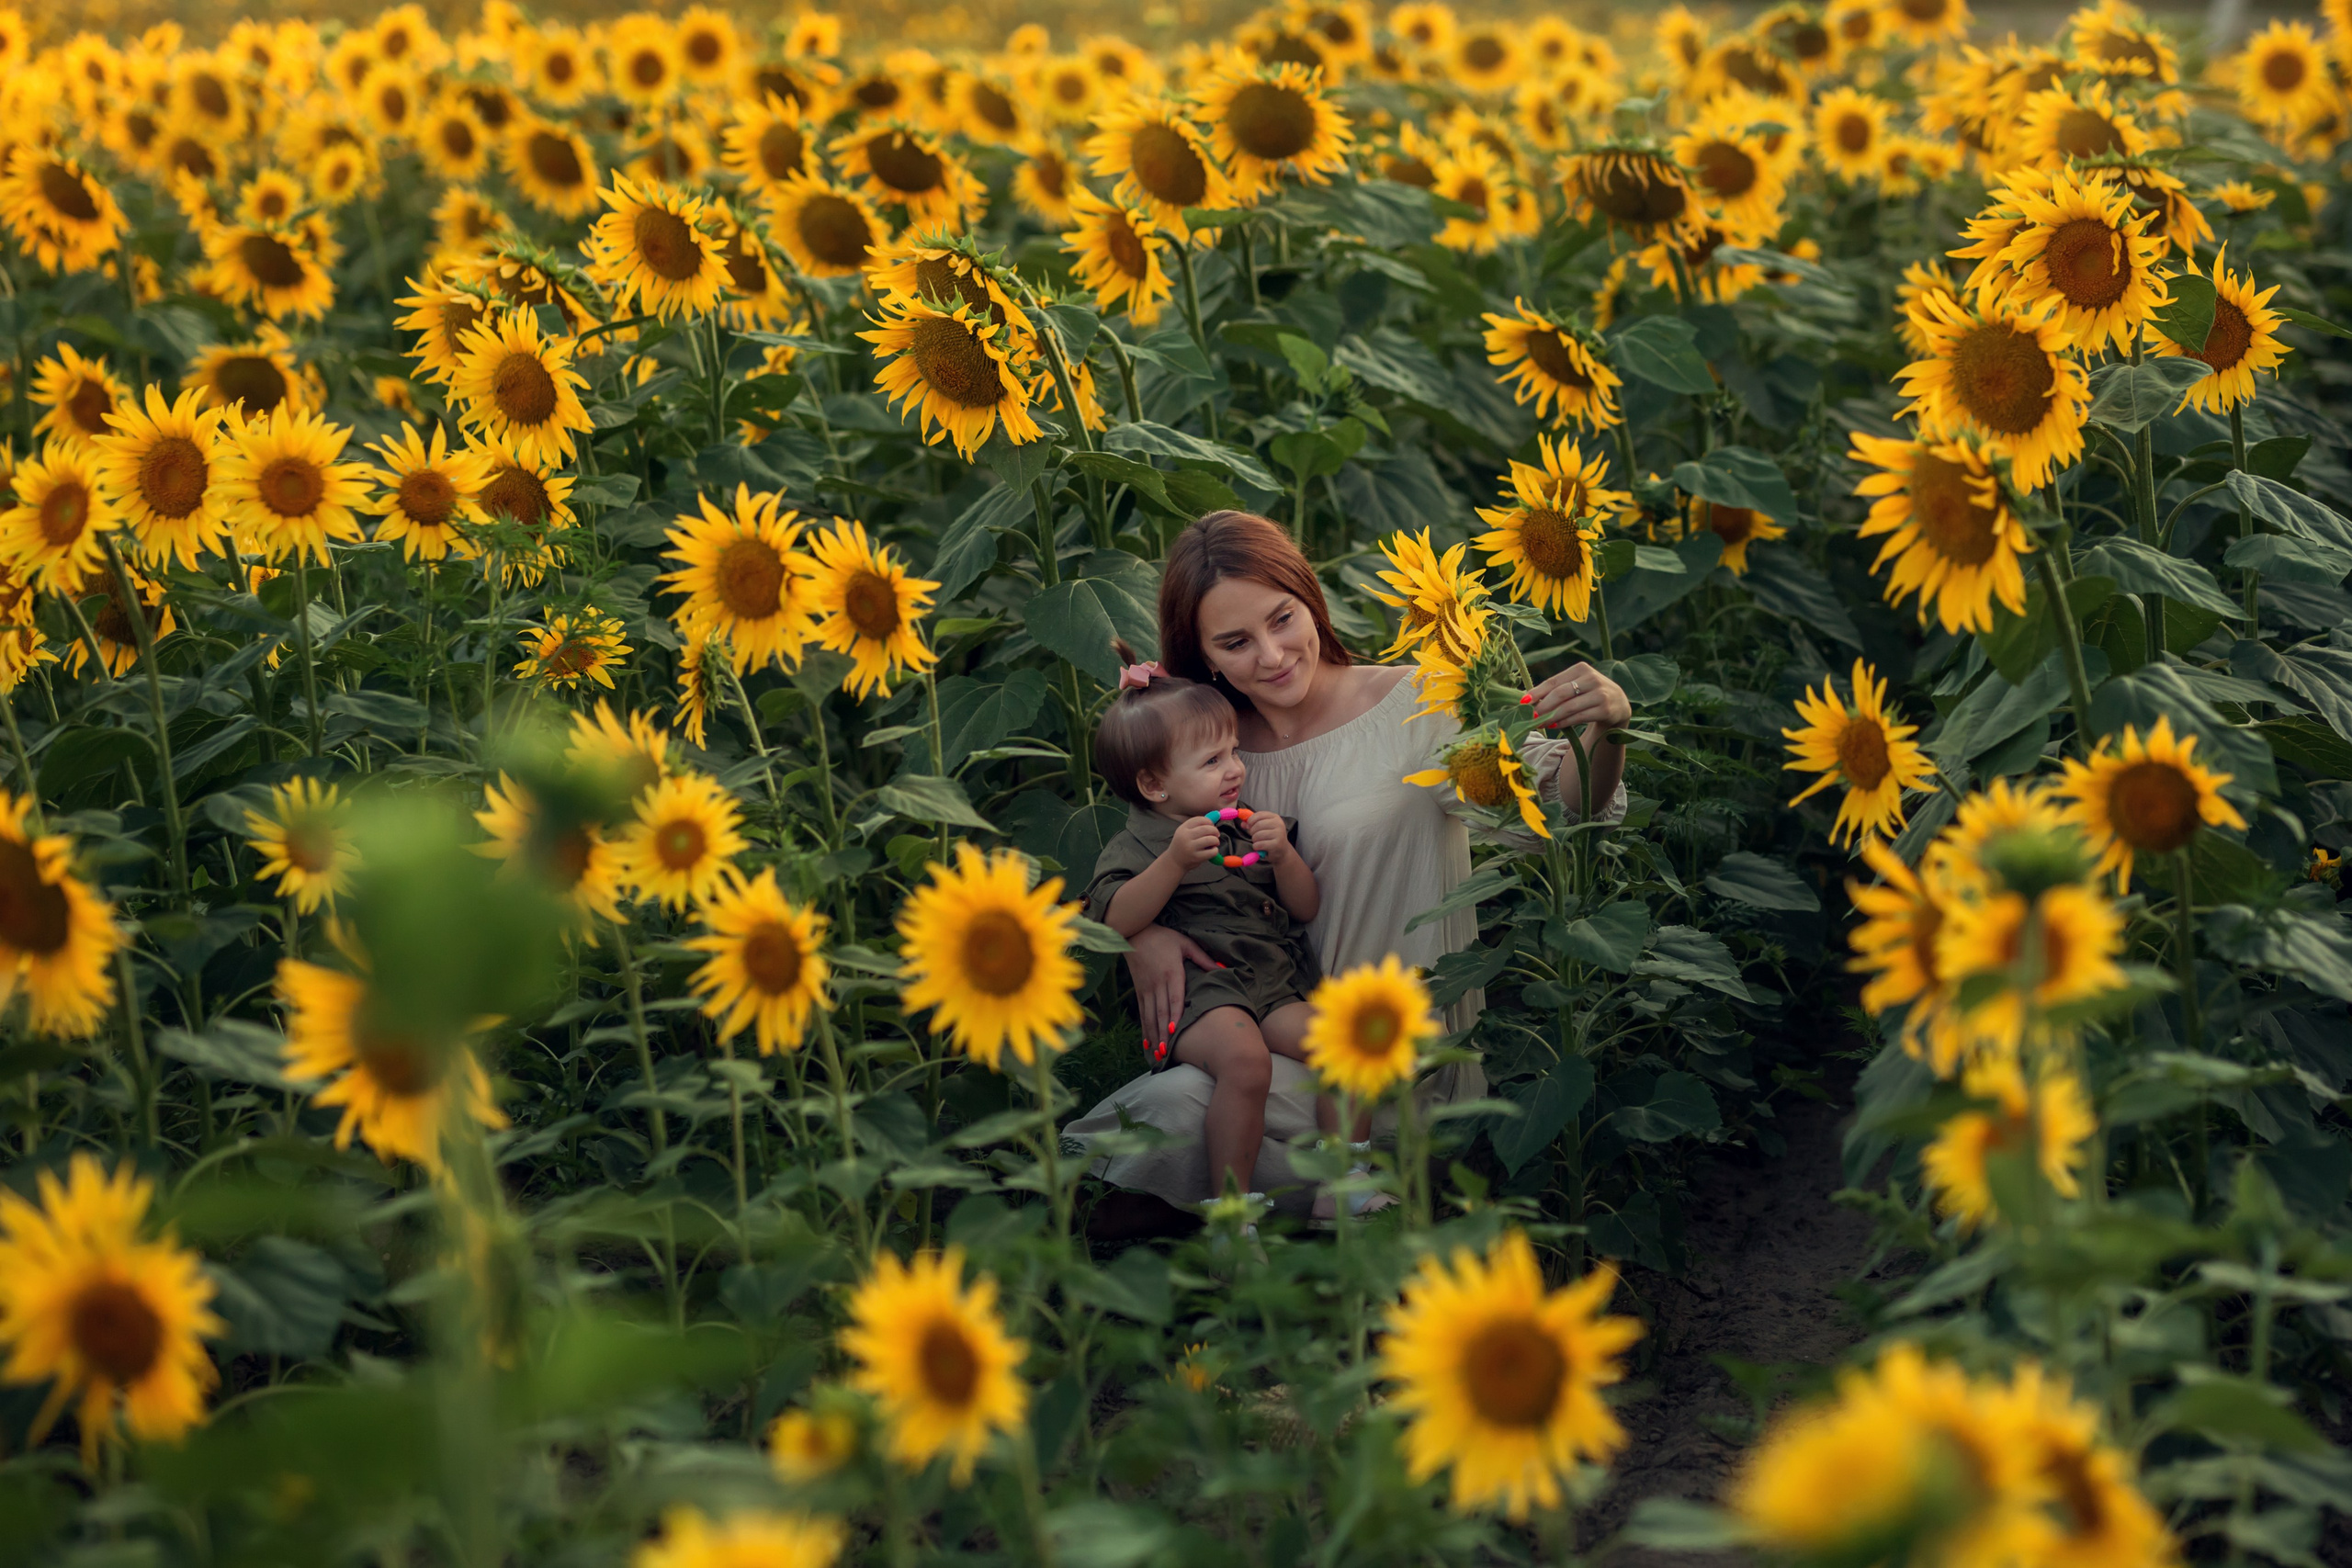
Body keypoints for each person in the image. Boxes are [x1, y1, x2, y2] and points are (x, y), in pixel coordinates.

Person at [1067, 510, 1633, 1218]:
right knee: (1159, 1110)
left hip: (1402, 1057)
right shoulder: (1199, 746)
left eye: (1282, 619)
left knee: (1169, 1115)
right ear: (1204, 655)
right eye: (1236, 642)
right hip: (1275, 1052)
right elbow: (1143, 860)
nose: (1272, 655)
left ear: (1310, 597)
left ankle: (1361, 1201)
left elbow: (1560, 811)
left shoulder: (1415, 701)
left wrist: (1607, 729)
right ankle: (1289, 1233)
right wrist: (1142, 935)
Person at [1084, 647, 1341, 1205]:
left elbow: (1306, 907)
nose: (1235, 769)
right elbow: (1113, 920)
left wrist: (1284, 858)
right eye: (1211, 761)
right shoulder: (1137, 847)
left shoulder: (1246, 829)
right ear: (1155, 786)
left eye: (1232, 751)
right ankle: (1234, 1207)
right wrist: (1173, 863)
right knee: (1246, 1065)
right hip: (1206, 994)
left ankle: (1346, 1177)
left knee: (1342, 1043)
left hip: (1272, 985)